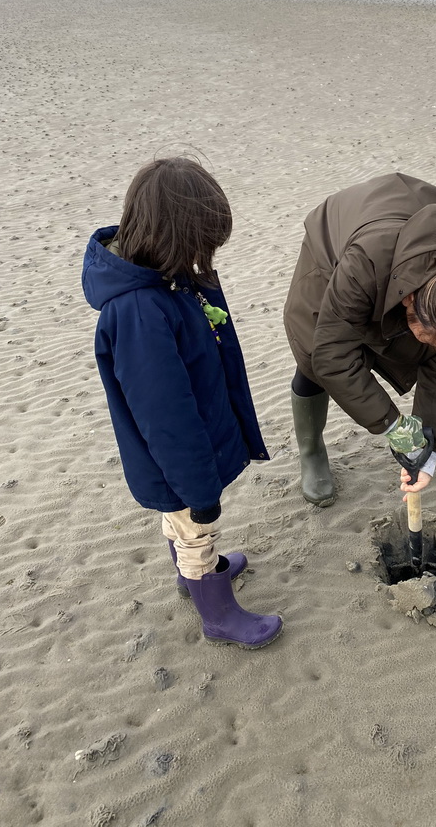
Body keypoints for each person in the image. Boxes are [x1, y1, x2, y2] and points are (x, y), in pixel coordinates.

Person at [82, 157, 282, 649]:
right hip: (174, 464)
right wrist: (199, 488)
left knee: (184, 525)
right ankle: (217, 613)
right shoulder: (138, 314)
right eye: (201, 242)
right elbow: (165, 417)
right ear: (174, 235)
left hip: (187, 455)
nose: (205, 255)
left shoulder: (166, 279)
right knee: (193, 527)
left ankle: (194, 576)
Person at [283, 171, 436, 508]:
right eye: (425, 332)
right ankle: (312, 451)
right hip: (338, 247)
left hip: (411, 245)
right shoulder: (364, 261)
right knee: (313, 355)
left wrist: (428, 450)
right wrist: (396, 429)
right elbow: (332, 355)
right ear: (409, 300)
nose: (432, 346)